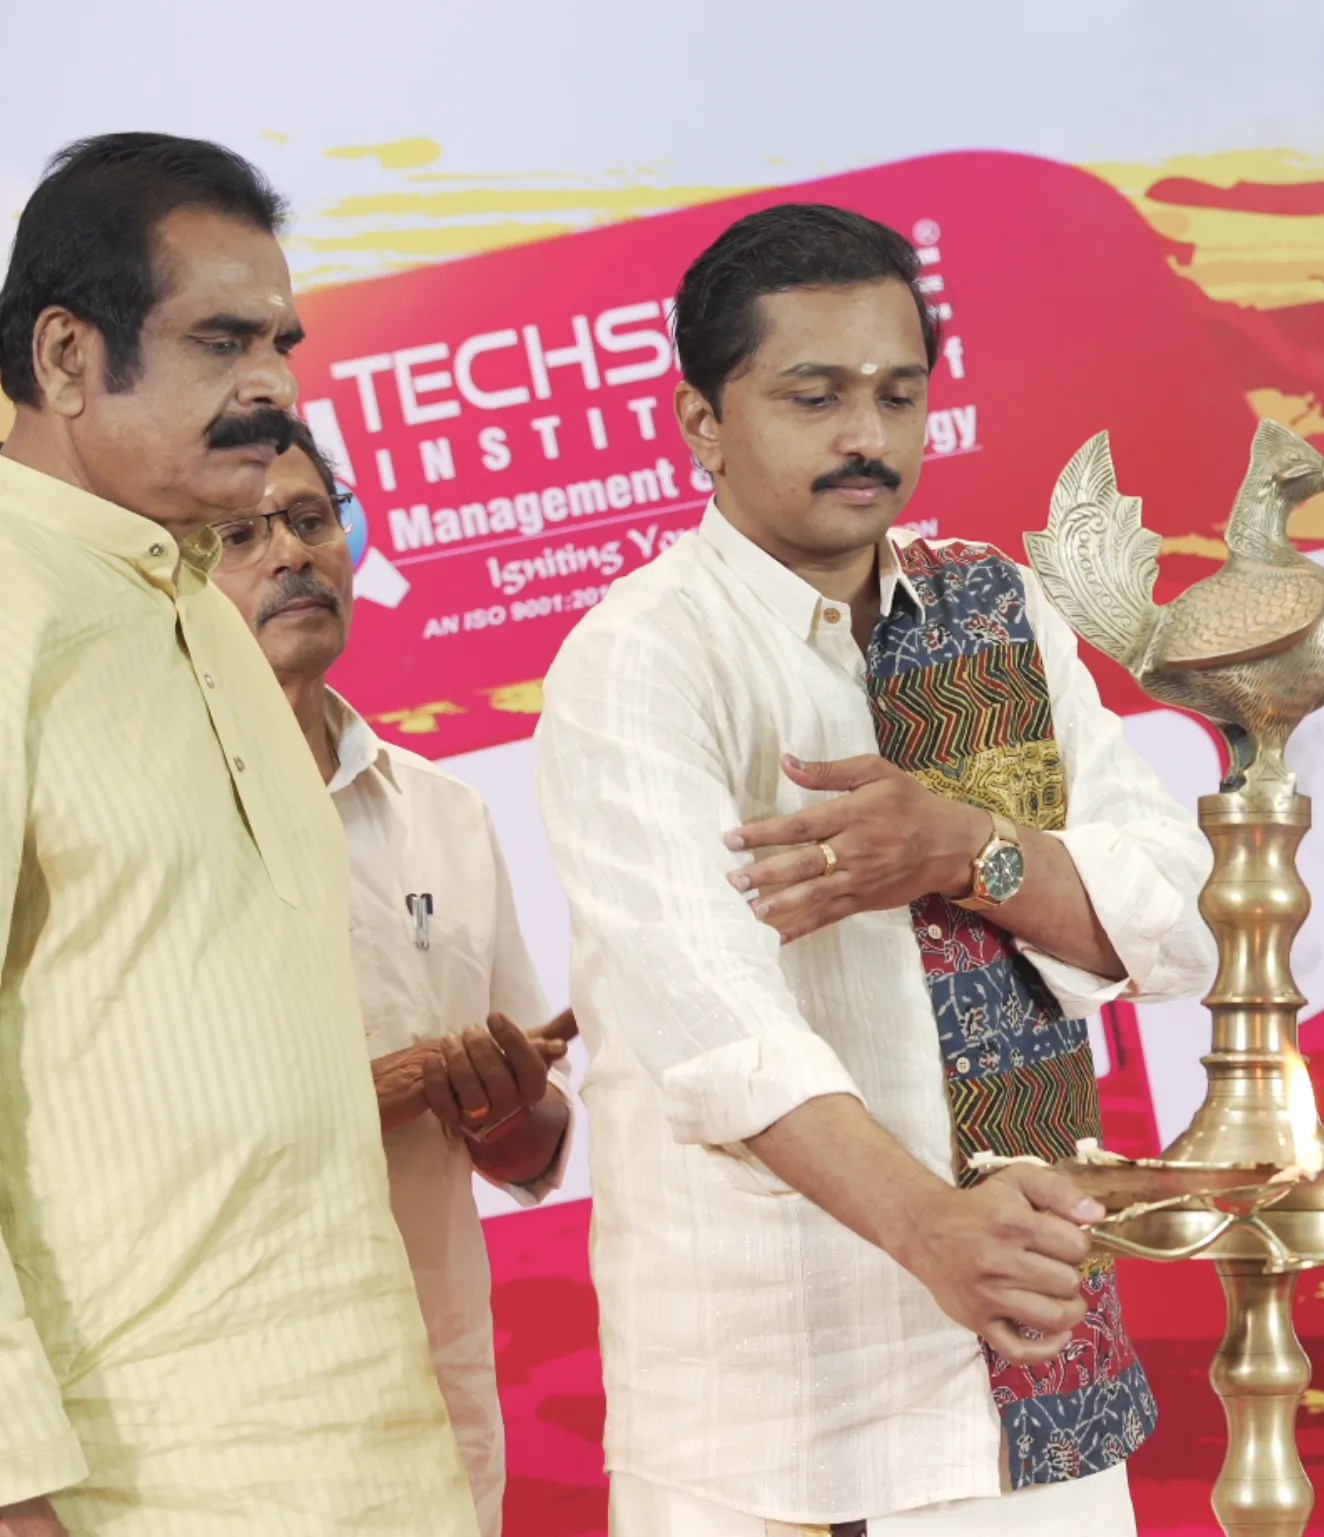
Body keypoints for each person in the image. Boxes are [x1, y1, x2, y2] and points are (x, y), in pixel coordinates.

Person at [535, 203, 1215, 1535]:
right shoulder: (643, 659)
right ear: (700, 421)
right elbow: (714, 1030)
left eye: (899, 395)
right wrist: (933, 1232)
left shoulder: (991, 611)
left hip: (1036, 1360)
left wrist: (970, 850)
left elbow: (1180, 921)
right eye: (816, 397)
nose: (868, 436)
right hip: (788, 1407)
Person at [0, 135, 476, 1534]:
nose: (272, 385)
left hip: (376, 1461)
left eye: (281, 343)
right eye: (220, 342)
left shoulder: (205, 608)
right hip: (136, 1486)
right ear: (69, 356)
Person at [208, 422, 578, 1537]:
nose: (292, 553)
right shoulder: (135, 834)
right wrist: (383, 1086)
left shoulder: (443, 810)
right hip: (227, 1422)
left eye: (311, 520)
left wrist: (500, 1102)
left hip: (433, 1408)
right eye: (239, 535)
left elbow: (529, 1150)